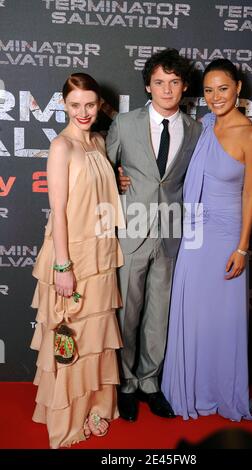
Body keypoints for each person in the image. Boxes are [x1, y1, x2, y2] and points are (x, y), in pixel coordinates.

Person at [162, 58, 252, 422]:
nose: (216, 96)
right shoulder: (204, 125)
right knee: (191, 314)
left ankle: (221, 391)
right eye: (208, 90)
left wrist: (242, 248)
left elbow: (251, 195)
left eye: (223, 88)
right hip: (193, 234)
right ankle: (188, 389)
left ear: (238, 87)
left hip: (226, 237)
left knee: (222, 319)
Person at [106, 48, 202, 421]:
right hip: (131, 232)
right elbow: (102, 167)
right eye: (159, 82)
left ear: (184, 86)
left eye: (174, 82)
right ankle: (126, 384)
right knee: (127, 313)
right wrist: (113, 178)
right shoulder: (125, 123)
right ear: (148, 85)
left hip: (170, 235)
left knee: (159, 314)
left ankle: (149, 382)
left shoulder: (195, 130)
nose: (166, 89)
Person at [30, 73, 124, 448]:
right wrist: (63, 267)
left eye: (89, 104)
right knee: (70, 339)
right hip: (72, 257)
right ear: (64, 106)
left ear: (98, 104)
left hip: (101, 255)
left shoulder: (99, 141)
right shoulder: (61, 146)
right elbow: (60, 212)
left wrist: (116, 180)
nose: (83, 112)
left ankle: (96, 408)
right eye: (74, 106)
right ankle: (68, 419)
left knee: (96, 340)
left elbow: (96, 193)